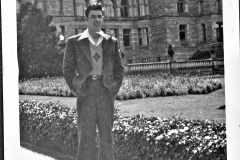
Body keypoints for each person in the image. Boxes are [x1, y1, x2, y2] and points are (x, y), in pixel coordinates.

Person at [62, 1, 124, 160]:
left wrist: (113, 88)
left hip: (105, 92)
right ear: (86, 20)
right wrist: (77, 87)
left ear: (102, 18)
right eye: (93, 17)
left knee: (106, 139)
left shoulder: (111, 42)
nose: (97, 20)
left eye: (99, 16)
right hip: (86, 93)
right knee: (86, 140)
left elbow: (119, 69)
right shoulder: (74, 42)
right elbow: (67, 70)